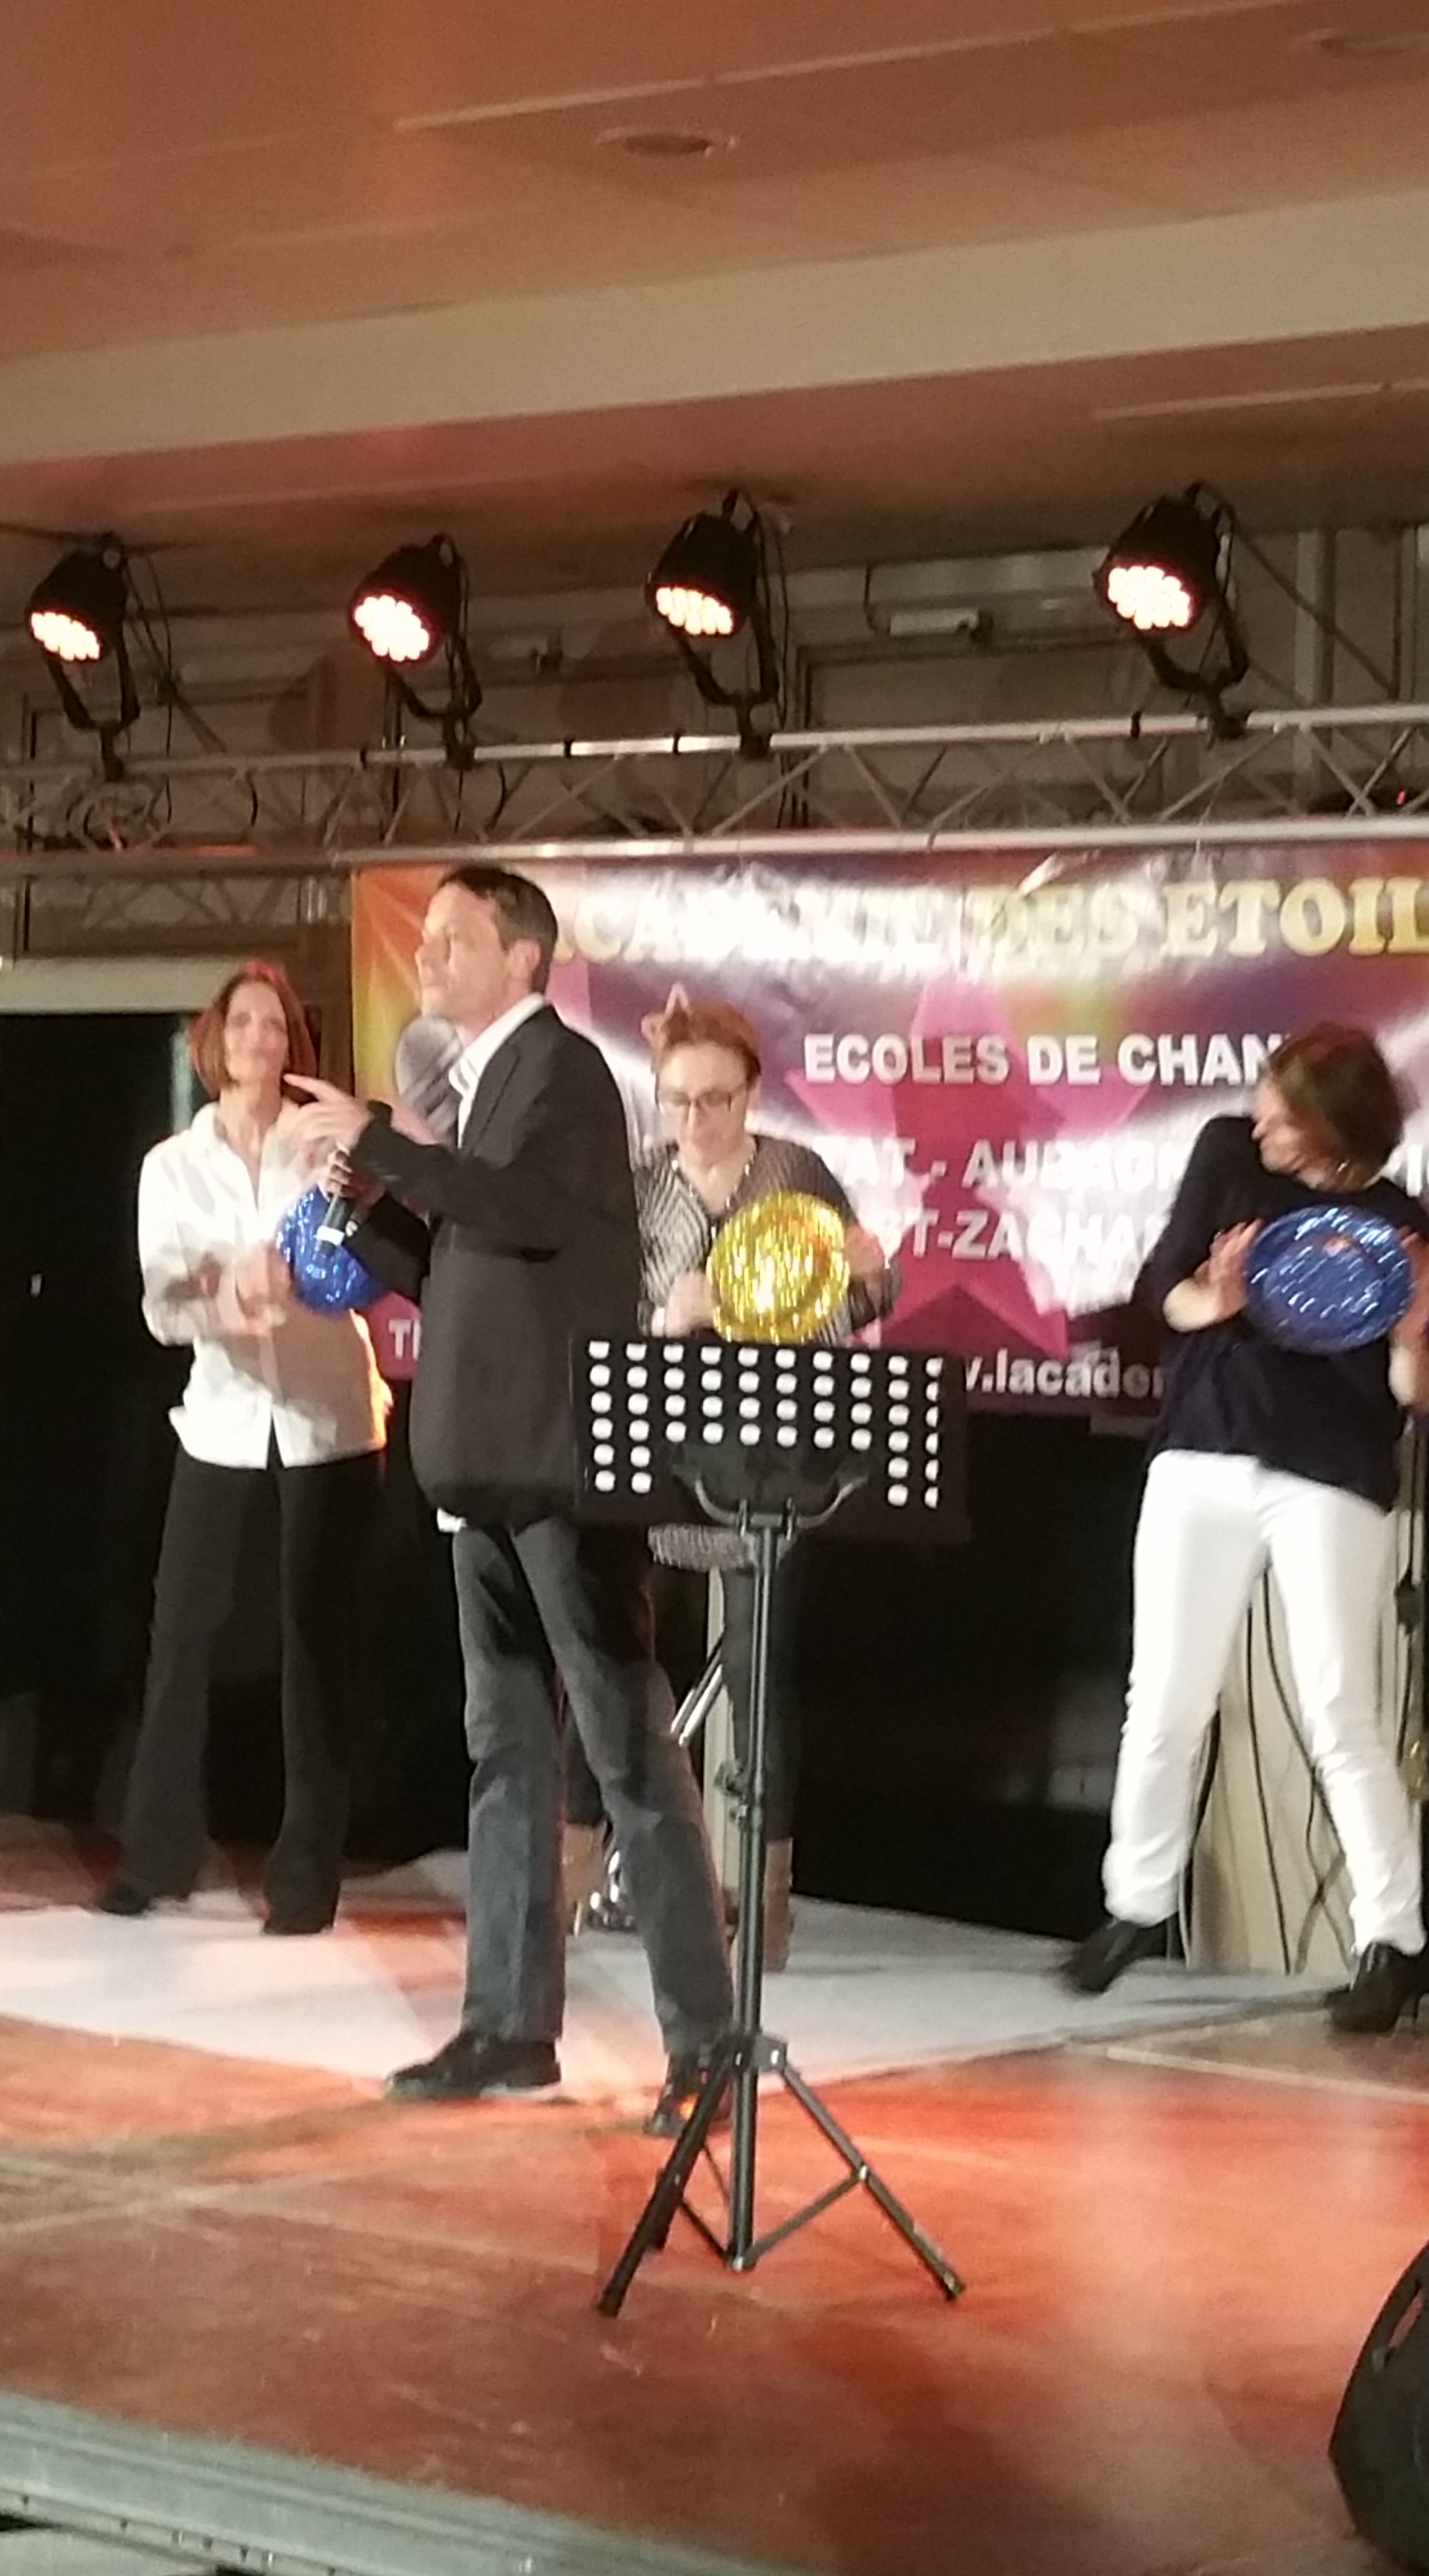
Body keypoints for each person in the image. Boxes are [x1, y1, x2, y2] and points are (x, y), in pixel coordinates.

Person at [290, 864, 734, 2135]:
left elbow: (532, 1211)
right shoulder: (483, 1085)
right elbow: (464, 1262)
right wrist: (360, 1211)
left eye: (454, 938)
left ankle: (708, 2049)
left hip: (561, 1467)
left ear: (523, 959)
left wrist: (385, 1144)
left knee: (628, 1752)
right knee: (506, 1753)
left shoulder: (564, 1070)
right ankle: (508, 2026)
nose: (429, 956)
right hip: (484, 1464)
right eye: (426, 938)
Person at [1066, 1023, 1429, 2034]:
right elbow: (1165, 1292)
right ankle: (1136, 1903)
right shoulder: (1229, 1156)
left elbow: (1411, 1390)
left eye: (1283, 1113)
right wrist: (1215, 1297)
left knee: (1339, 1707)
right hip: (1203, 1450)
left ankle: (1394, 1937)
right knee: (1164, 1695)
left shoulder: (1399, 1227)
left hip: (1330, 1473)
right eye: (1263, 1103)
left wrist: (1412, 1336)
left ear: (1336, 1128)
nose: (1260, 1122)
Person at [561, 996, 897, 1968]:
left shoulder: (797, 1176)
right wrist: (667, 1320)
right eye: (677, 1101)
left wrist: (864, 1277)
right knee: (614, 1665)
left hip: (775, 1456)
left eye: (715, 1099)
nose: (695, 1120)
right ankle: (575, 1879)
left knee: (762, 1683)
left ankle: (768, 1908)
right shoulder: (636, 1187)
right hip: (662, 1455)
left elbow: (864, 1295)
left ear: (751, 1094)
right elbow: (599, 1317)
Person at [98, 963, 387, 1935]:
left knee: (318, 1651)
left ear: (292, 1044)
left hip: (330, 1419)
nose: (259, 1039)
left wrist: (318, 1261)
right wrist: (224, 1295)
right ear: (214, 1041)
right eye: (243, 1024)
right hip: (220, 1418)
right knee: (180, 1639)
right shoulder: (172, 1166)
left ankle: (306, 1882)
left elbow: (370, 1258)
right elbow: (161, 1305)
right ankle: (155, 1856)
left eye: (275, 1025)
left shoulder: (325, 1149)